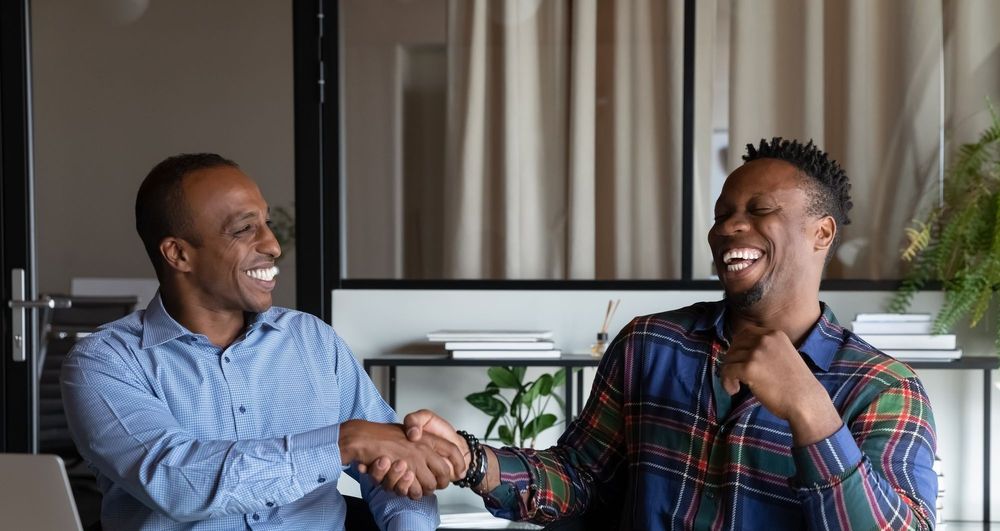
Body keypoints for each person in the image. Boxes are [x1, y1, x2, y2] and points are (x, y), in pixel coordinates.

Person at [373, 138, 939, 529]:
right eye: (722, 213)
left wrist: (812, 411)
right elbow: (579, 477)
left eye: (759, 209)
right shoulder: (651, 345)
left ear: (822, 233)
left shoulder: (883, 388)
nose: (729, 227)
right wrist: (473, 460)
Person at [61, 153, 464, 530]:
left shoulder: (313, 341)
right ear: (178, 254)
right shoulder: (104, 363)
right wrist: (343, 442)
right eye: (243, 229)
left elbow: (397, 472)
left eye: (267, 223)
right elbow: (177, 481)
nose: (272, 245)